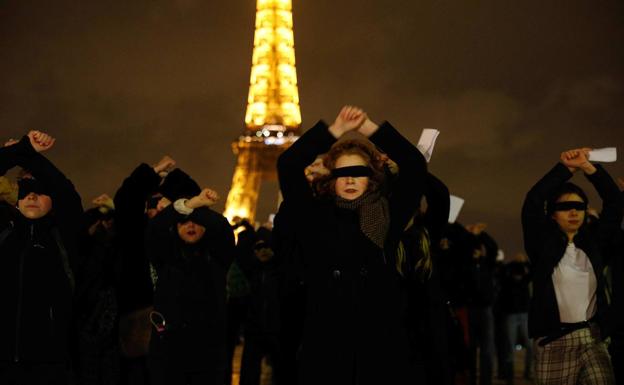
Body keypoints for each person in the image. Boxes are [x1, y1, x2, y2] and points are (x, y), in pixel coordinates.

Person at [276, 105, 427, 385]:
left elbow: (415, 165)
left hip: (379, 334)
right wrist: (335, 131)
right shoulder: (313, 215)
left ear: (371, 179)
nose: (349, 179)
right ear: (331, 180)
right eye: (342, 173)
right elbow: (288, 164)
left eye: (358, 172)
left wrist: (368, 128)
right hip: (327, 334)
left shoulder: (389, 214)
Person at [522, 147, 623, 384]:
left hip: (592, 340)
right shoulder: (541, 247)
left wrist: (590, 168)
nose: (573, 212)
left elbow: (614, 204)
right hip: (554, 343)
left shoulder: (594, 245)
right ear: (552, 215)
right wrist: (565, 169)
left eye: (579, 207)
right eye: (565, 207)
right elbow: (533, 200)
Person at [0, 131, 83, 385]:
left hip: (51, 363)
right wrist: (20, 151)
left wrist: (31, 157)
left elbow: (64, 190)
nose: (32, 196)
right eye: (24, 191)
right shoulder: (4, 233)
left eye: (39, 190)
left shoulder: (65, 235)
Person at [146, 184, 235, 385]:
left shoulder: (217, 258)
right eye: (183, 223)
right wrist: (189, 205)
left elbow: (223, 229)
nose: (191, 226)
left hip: (207, 352)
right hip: (169, 351)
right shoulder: (166, 258)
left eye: (197, 222)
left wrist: (196, 208)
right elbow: (154, 229)